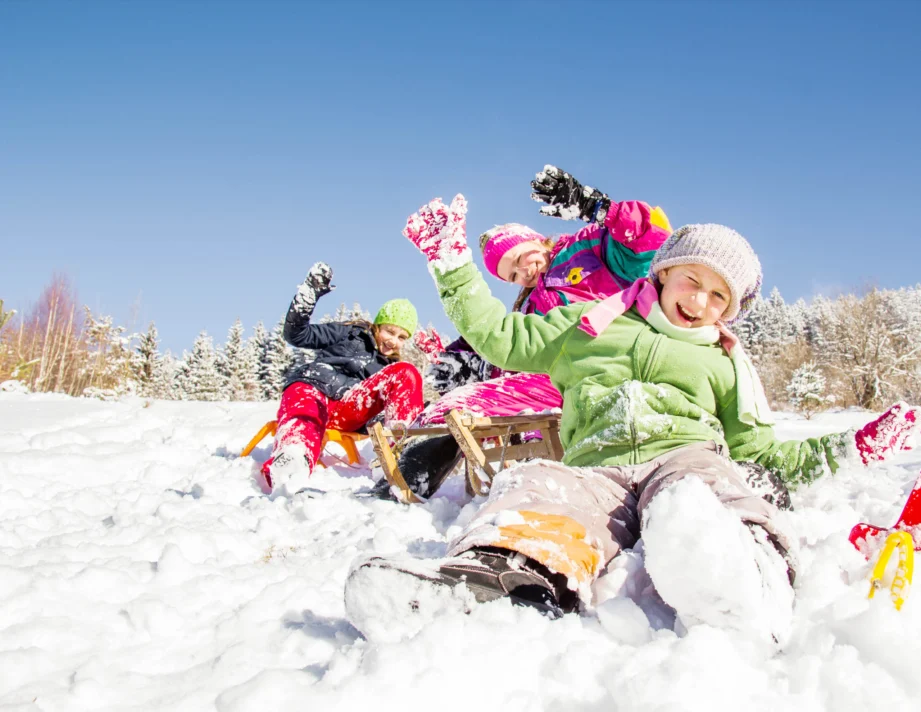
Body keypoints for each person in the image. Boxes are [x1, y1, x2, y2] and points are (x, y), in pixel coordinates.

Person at [346, 195, 921, 645]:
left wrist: (856, 446)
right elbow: (501, 337)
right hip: (599, 463)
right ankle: (486, 581)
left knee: (706, 491)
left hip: (685, 455)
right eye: (692, 280)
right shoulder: (591, 323)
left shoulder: (723, 361)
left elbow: (762, 454)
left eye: (719, 297)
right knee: (537, 486)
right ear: (665, 273)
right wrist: (453, 265)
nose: (700, 302)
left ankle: (744, 576)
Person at [379, 166, 673, 500]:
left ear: (535, 238)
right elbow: (512, 348)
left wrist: (597, 208)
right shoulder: (530, 307)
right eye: (512, 275)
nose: (523, 272)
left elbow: (653, 244)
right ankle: (401, 479)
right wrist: (456, 358)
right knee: (460, 405)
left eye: (519, 258)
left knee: (467, 403)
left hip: (612, 368)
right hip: (558, 383)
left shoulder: (587, 249)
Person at [261, 262, 424, 493]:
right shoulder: (349, 332)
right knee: (306, 411)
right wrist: (308, 296)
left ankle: (396, 456)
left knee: (407, 372)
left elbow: (379, 412)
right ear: (377, 325)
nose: (393, 341)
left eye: (401, 337)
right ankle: (293, 458)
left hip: (349, 407)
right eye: (389, 331)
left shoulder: (390, 368)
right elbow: (297, 335)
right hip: (313, 388)